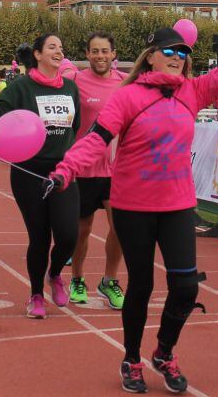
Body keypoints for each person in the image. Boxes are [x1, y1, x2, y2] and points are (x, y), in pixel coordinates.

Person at [50, 0, 218, 394]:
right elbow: (97, 140)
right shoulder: (127, 97)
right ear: (150, 59)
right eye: (170, 51)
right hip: (133, 207)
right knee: (141, 287)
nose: (179, 58)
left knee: (186, 288)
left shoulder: (193, 92)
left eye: (184, 53)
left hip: (179, 205)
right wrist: (67, 169)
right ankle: (131, 358)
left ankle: (164, 351)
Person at [0, 35, 81, 319]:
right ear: (37, 54)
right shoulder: (21, 87)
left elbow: (77, 125)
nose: (59, 51)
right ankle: (36, 293)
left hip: (63, 170)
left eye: (61, 47)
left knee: (68, 235)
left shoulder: (71, 89)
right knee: (39, 237)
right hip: (29, 172)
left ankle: (56, 273)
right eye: (52, 47)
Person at [66, 31, 127, 310]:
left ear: (114, 54)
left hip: (115, 169)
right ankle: (77, 279)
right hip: (83, 169)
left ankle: (110, 280)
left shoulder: (124, 83)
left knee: (121, 228)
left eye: (105, 51)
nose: (100, 56)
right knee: (82, 230)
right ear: (87, 54)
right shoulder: (75, 81)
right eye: (94, 51)